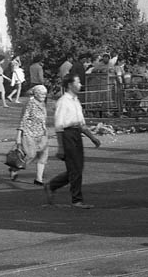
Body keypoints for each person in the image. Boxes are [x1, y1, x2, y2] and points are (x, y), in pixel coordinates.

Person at [45, 74, 101, 209]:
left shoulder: (76, 101)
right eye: (78, 82)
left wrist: (92, 137)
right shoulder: (63, 102)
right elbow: (59, 126)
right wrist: (61, 147)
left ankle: (52, 185)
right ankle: (76, 199)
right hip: (67, 135)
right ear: (70, 84)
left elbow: (81, 123)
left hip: (76, 134)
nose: (80, 84)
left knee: (76, 168)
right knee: (75, 169)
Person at [11, 84, 50, 184]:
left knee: (43, 156)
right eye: (41, 94)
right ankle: (15, 168)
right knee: (31, 155)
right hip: (29, 133)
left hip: (42, 133)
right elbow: (23, 119)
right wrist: (18, 136)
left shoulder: (43, 104)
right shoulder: (30, 103)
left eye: (45, 94)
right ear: (36, 94)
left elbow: (43, 120)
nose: (43, 96)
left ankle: (38, 179)